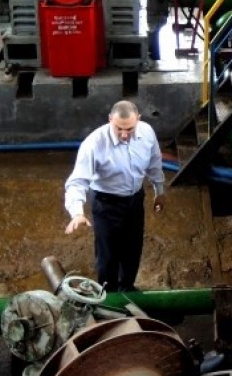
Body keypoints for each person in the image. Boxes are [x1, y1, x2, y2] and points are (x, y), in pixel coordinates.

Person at [64, 100, 165, 293]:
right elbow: (77, 182)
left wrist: (159, 192)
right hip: (106, 204)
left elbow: (154, 163)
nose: (125, 134)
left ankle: (126, 287)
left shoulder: (147, 133)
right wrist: (77, 213)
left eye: (130, 129)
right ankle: (108, 295)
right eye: (119, 129)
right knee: (108, 255)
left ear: (139, 120)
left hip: (135, 200)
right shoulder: (94, 144)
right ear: (110, 119)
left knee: (132, 250)